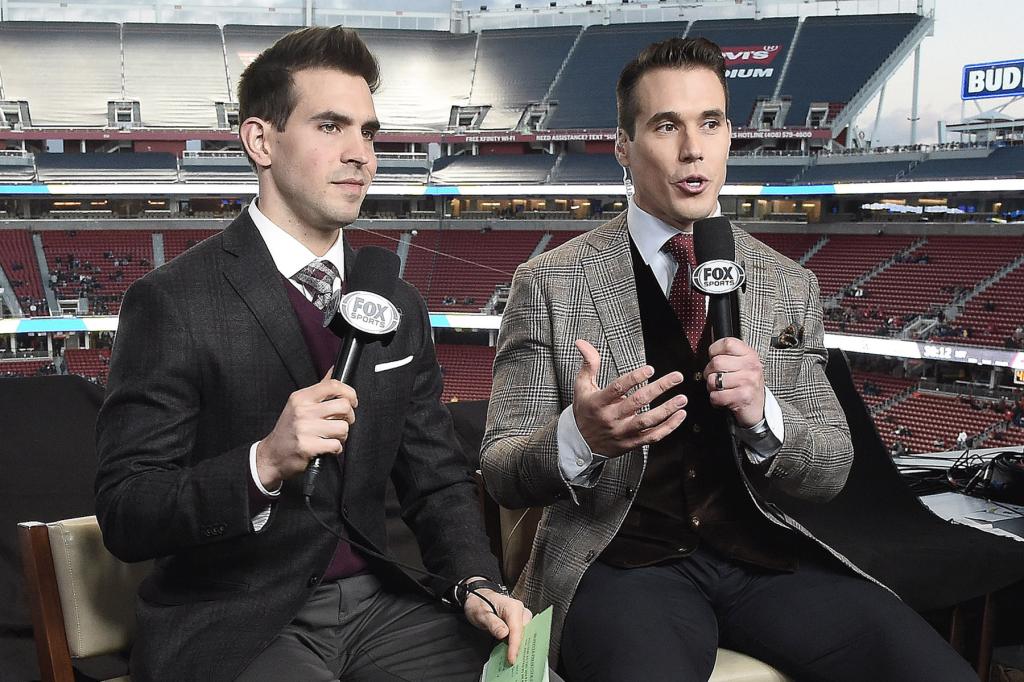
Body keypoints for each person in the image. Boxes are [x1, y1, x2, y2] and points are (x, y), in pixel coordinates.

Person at [481, 36, 976, 682]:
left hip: (763, 560)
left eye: (710, 123)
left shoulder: (787, 283)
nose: (694, 149)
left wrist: (763, 414)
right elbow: (499, 468)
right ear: (623, 148)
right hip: (621, 565)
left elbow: (830, 466)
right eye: (667, 125)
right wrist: (580, 436)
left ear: (729, 135)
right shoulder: (548, 282)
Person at [95, 27, 532, 682]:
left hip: (385, 608)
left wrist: (476, 583)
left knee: (533, 675)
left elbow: (435, 479)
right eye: (331, 127)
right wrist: (263, 463)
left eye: (369, 133)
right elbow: (128, 510)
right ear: (260, 141)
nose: (361, 155)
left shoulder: (399, 305)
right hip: (235, 615)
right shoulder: (172, 301)